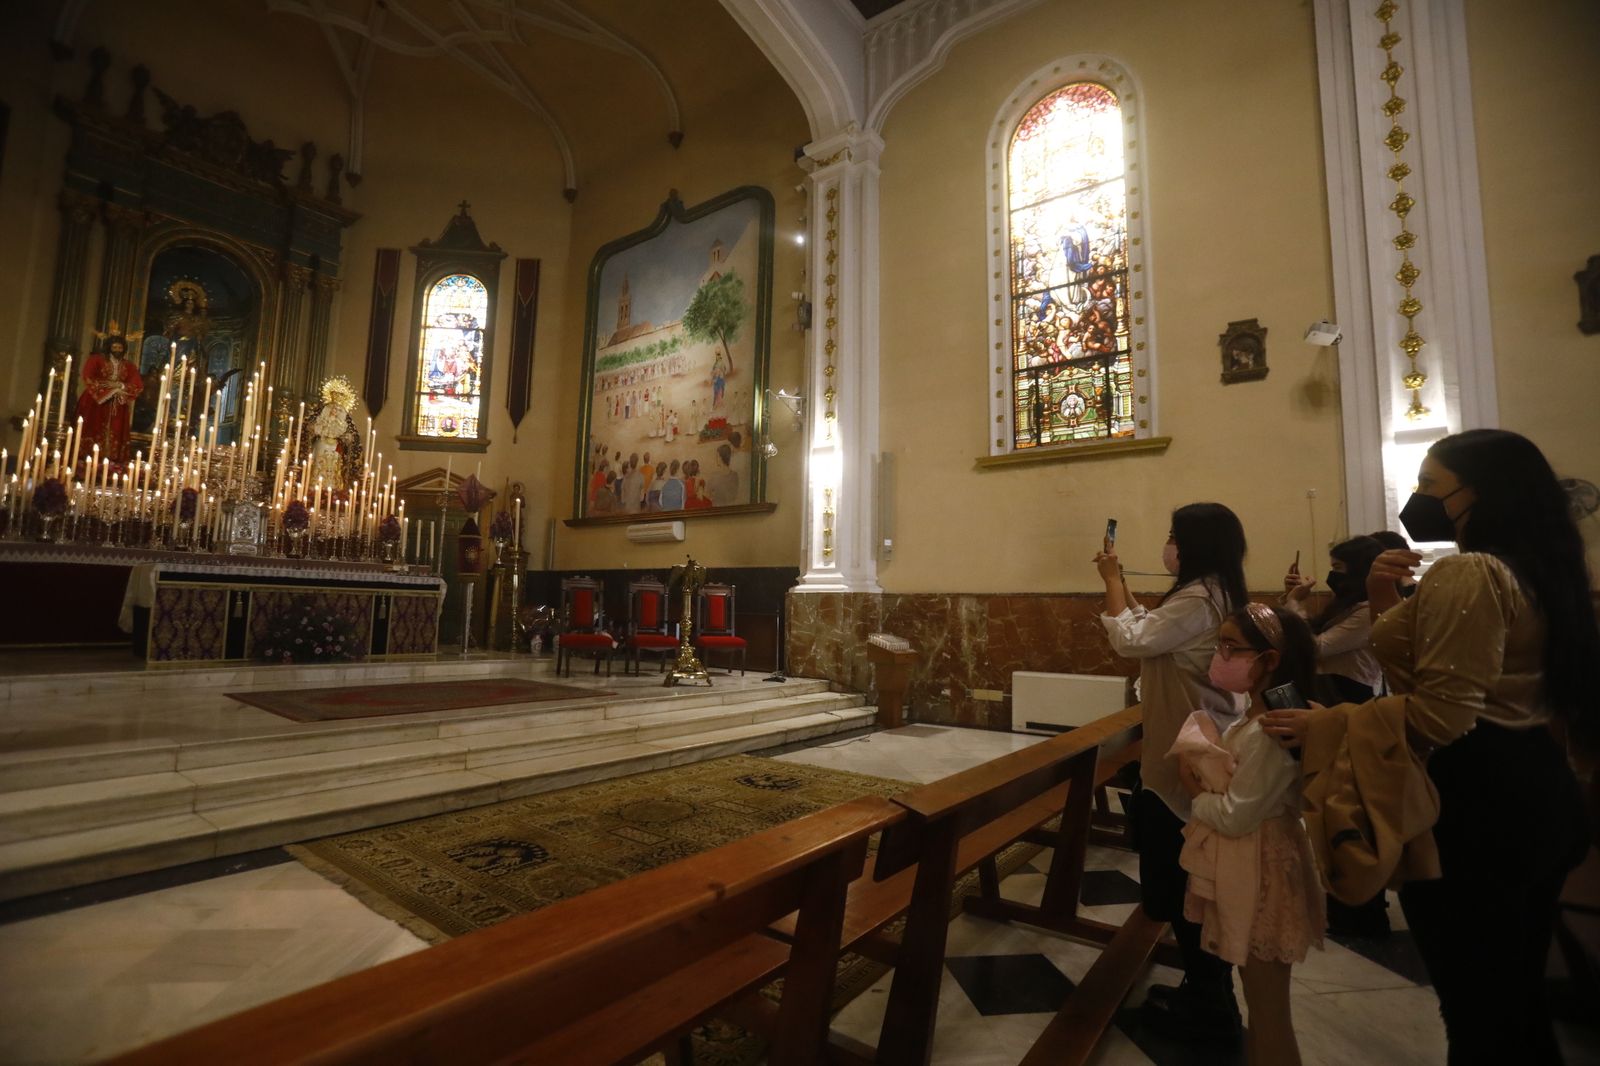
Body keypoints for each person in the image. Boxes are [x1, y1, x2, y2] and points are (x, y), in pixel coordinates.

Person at [1263, 429, 1595, 1065]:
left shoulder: (1470, 572)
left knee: (1476, 1007)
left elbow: (1444, 713)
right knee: (1515, 996)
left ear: (1481, 494)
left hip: (1475, 804)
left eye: (1428, 485)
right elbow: (1456, 670)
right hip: (1534, 787)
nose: (1415, 499)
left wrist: (1328, 726)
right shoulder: (1543, 571)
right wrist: (1384, 600)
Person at [1095, 502, 1247, 1042]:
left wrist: (1110, 581)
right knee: (1189, 885)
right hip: (1192, 749)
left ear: (1196, 545)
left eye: (1174, 537)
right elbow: (1152, 630)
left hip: (1189, 758)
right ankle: (1204, 993)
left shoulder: (1201, 599)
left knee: (1188, 887)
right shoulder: (1212, 593)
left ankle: (1210, 1010)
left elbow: (1131, 640)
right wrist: (1125, 591)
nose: (1169, 546)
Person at [1176, 603, 1324, 1066]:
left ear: (1269, 660)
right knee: (1259, 1009)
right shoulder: (1255, 717)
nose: (1219, 656)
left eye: (1231, 647)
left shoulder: (1271, 729)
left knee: (1269, 1013)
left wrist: (1194, 790)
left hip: (1262, 873)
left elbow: (1237, 815)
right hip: (1253, 864)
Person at [1282, 535, 1386, 704]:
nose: (1333, 575)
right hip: (1330, 687)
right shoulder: (1346, 604)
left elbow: (1315, 647)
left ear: (1358, 569)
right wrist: (1293, 598)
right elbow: (1312, 630)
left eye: (1338, 568)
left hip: (1350, 693)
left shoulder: (1368, 611)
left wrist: (1294, 603)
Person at [76, 332, 145, 464]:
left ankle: (112, 459)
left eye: (120, 348)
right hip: (96, 402)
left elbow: (137, 384)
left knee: (116, 428)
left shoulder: (129, 366)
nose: (117, 350)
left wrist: (120, 386)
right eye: (114, 347)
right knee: (93, 426)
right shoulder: (96, 360)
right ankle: (88, 457)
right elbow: (88, 376)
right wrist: (107, 390)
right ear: (109, 347)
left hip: (117, 403)